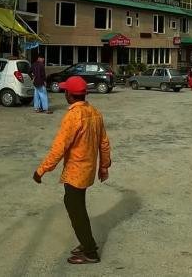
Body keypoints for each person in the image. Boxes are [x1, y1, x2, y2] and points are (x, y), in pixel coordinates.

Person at [33, 76, 112, 265]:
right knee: (78, 207)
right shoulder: (94, 112)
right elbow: (105, 143)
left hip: (76, 172)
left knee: (76, 210)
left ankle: (90, 251)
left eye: (65, 91)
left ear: (69, 95)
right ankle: (86, 243)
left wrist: (41, 170)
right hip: (88, 170)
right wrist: (103, 167)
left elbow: (59, 147)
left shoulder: (72, 116)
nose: (64, 93)